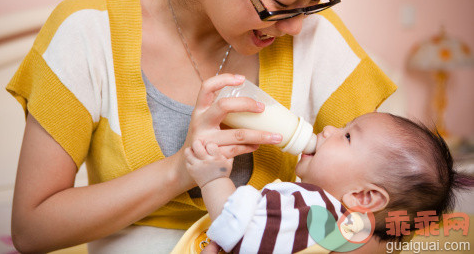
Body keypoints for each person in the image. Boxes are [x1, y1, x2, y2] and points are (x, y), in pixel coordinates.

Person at [6, 0, 396, 253]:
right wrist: (183, 169)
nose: (296, 26)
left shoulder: (319, 42)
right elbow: (31, 230)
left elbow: (382, 224)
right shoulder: (88, 33)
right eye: (282, 1)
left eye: (315, 0)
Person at [183, 111, 473, 254]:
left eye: (347, 136)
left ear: (364, 197)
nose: (330, 128)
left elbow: (239, 227)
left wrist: (214, 178)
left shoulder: (313, 212)